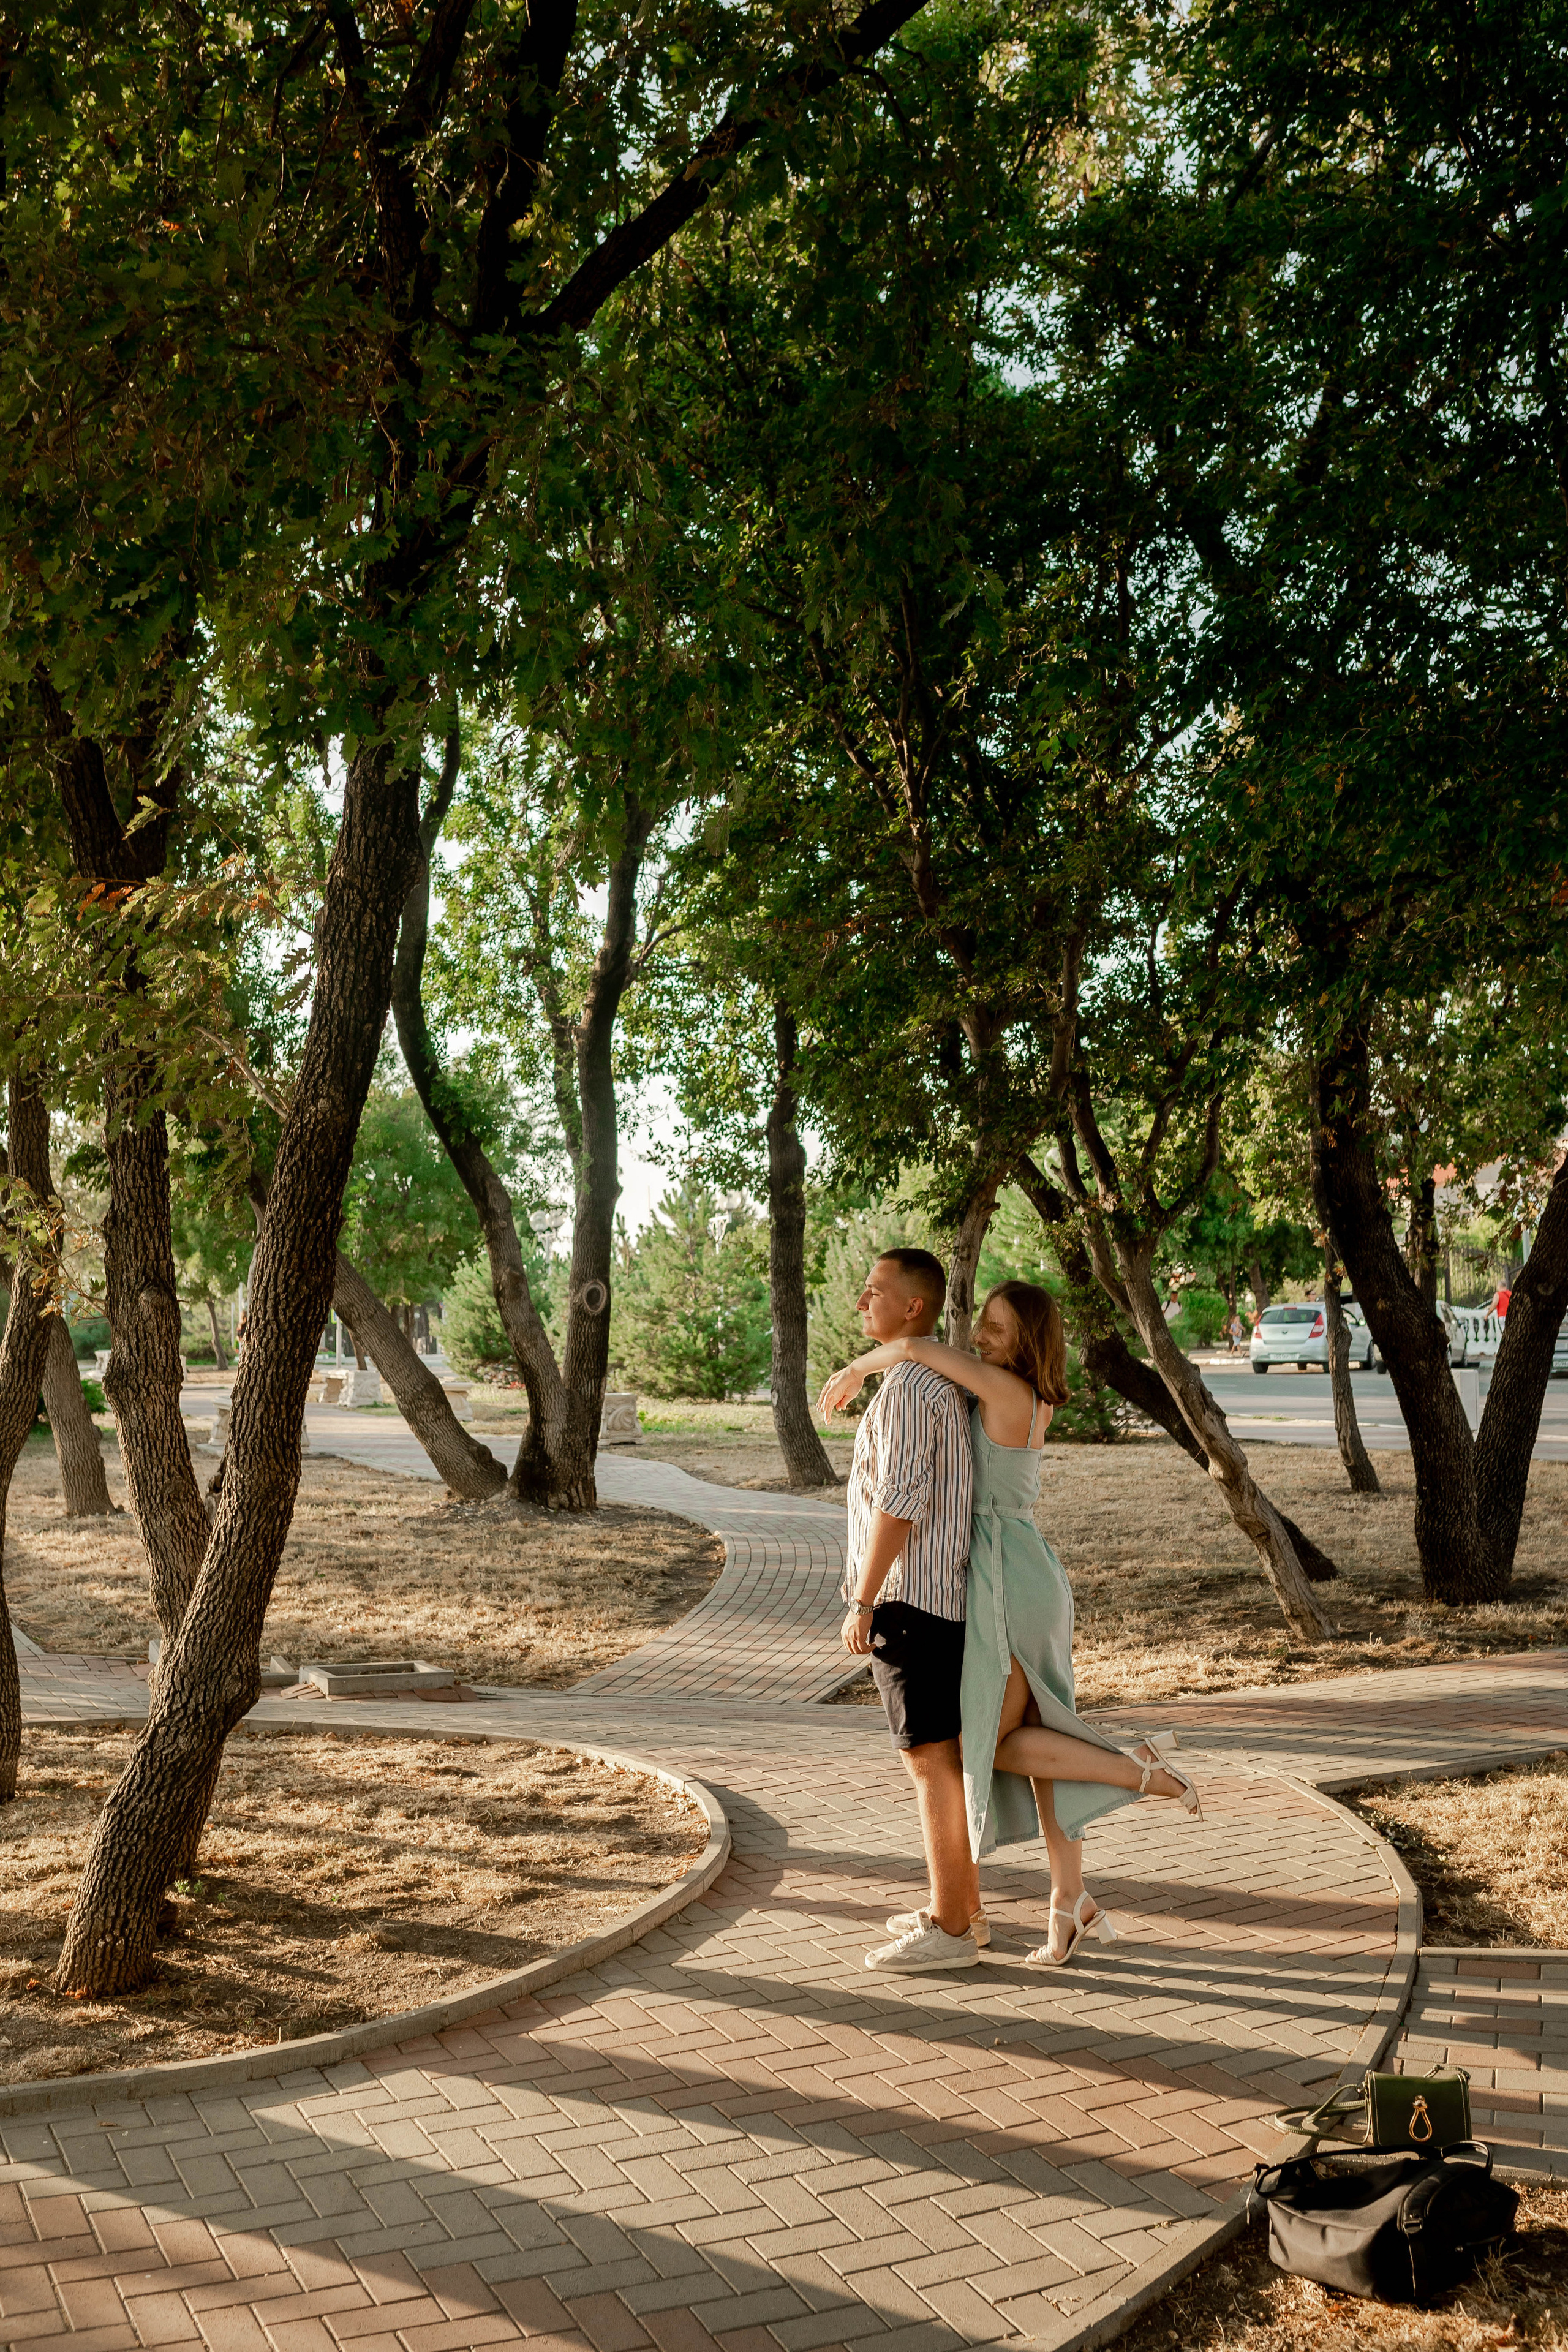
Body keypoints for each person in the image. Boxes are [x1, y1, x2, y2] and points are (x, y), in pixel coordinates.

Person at [822, 1279, 1201, 1969]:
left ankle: (1135, 1768)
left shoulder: (1004, 1393)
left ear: (1025, 1341)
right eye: (985, 1325)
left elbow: (914, 1345)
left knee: (991, 1748)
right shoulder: (1021, 1395)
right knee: (1037, 1739)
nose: (983, 1337)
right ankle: (1069, 1903)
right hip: (1024, 1569)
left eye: (997, 1329)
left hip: (1006, 1578)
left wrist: (856, 1369)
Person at [829, 1248, 980, 1973]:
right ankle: (963, 1910)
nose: (863, 1303)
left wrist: (863, 1600)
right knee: (938, 1759)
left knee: (929, 1764)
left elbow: (899, 1503)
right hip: (931, 1601)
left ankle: (950, 1932)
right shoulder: (926, 1381)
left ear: (912, 1308)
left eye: (874, 1292)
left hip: (909, 1602)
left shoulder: (908, 1388)